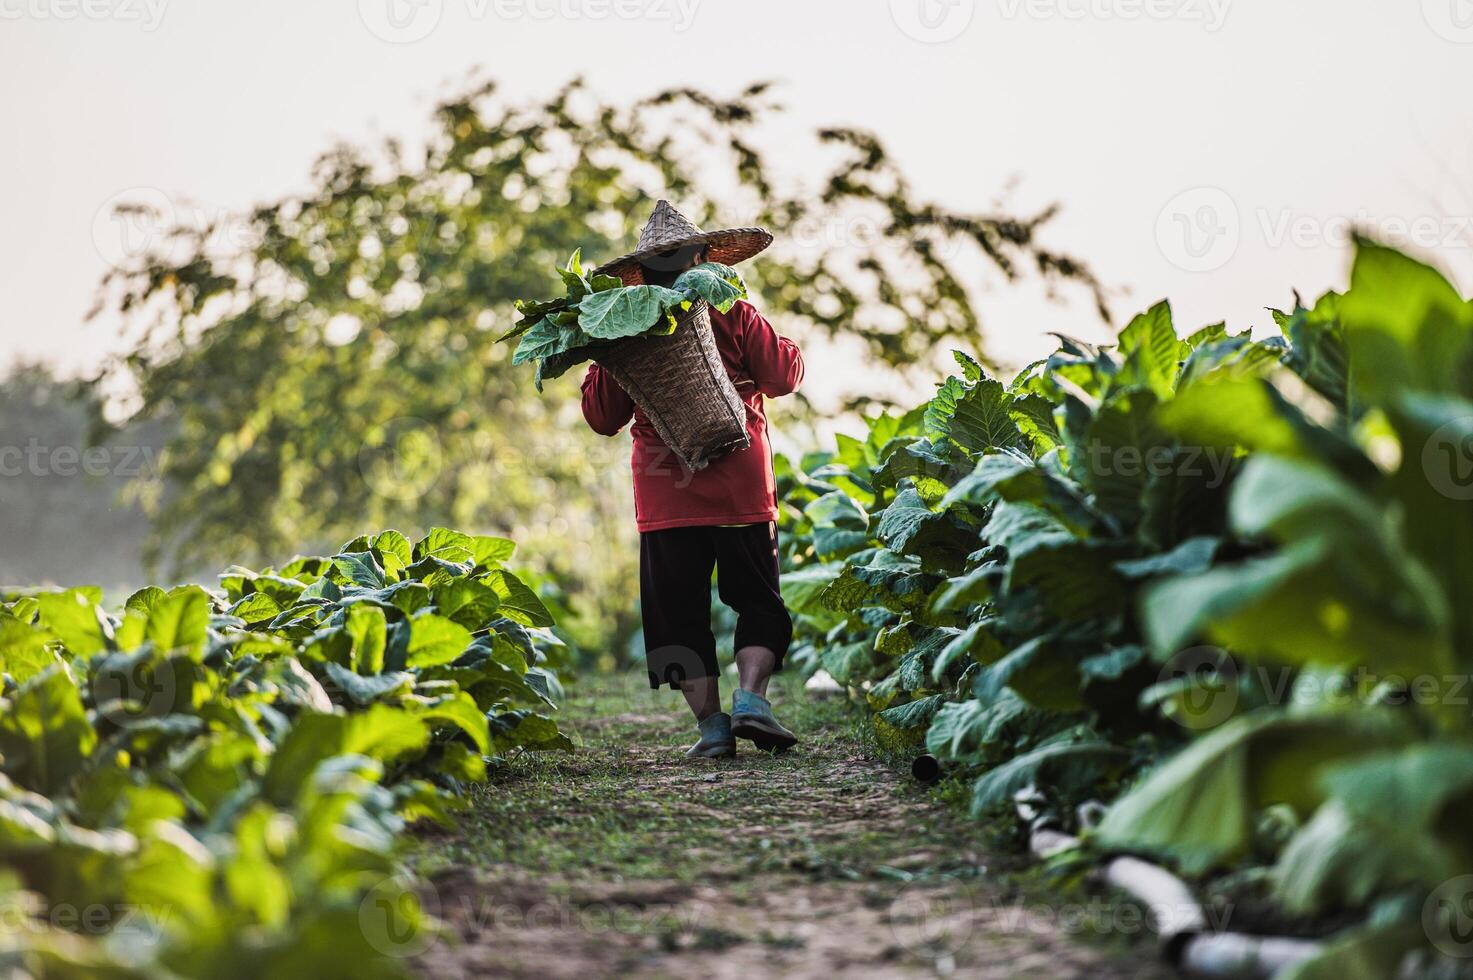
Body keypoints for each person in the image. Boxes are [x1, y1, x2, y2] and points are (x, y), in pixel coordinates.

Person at [579, 200, 805, 759]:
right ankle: (752, 699)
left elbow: (602, 419)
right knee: (758, 600)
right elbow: (782, 377)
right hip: (740, 484)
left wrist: (605, 358)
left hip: (666, 492)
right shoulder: (734, 309)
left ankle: (712, 730)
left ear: (642, 271)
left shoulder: (621, 326)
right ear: (704, 258)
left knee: (673, 616)